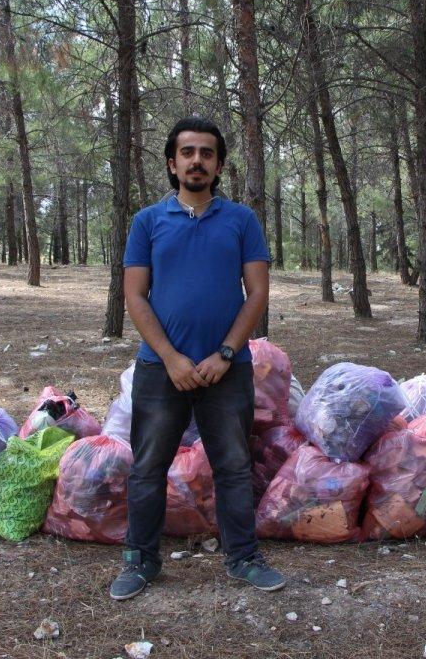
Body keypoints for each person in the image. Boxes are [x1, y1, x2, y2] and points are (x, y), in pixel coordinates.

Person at [108, 116, 284, 600]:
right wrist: (171, 358)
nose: (197, 161)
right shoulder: (147, 222)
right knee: (147, 466)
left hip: (226, 370)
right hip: (160, 369)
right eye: (187, 152)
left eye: (207, 153)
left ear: (219, 164)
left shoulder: (241, 221)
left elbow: (257, 293)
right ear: (172, 162)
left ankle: (243, 556)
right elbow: (136, 296)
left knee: (232, 465)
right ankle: (140, 560)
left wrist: (226, 353)